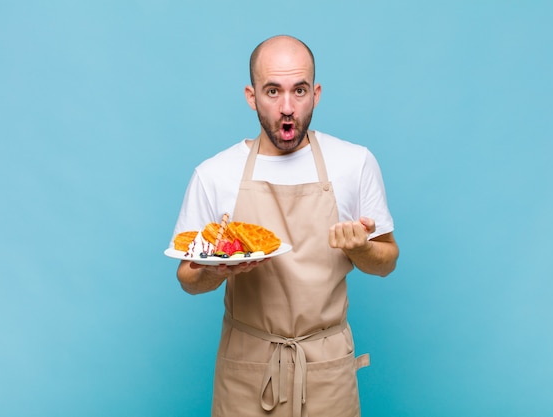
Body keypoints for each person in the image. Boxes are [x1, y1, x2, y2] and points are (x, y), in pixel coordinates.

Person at [169, 35, 399, 417]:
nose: (287, 107)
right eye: (273, 91)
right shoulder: (214, 174)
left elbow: (387, 261)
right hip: (248, 368)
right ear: (251, 95)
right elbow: (187, 278)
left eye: (300, 90)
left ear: (317, 93)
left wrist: (361, 249)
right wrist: (217, 270)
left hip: (326, 369)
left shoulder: (354, 163)